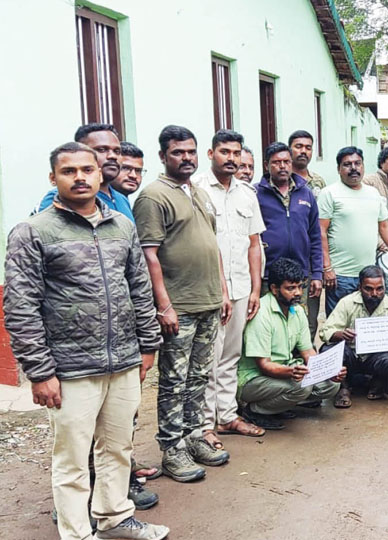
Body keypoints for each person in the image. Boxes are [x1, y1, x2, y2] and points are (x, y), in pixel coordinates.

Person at [5, 142, 169, 540]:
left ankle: (115, 515)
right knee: (73, 460)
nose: (79, 177)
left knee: (117, 448)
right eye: (69, 171)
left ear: (100, 175)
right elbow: (20, 307)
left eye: (86, 170)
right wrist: (40, 373)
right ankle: (78, 533)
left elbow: (138, 289)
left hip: (124, 362)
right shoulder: (33, 232)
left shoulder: (121, 227)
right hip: (70, 368)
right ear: (53, 178)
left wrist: (147, 347)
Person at [133, 125, 232, 483]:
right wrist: (164, 305)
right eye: (178, 152)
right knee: (173, 381)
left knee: (198, 377)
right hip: (180, 306)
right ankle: (172, 448)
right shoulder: (153, 196)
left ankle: (194, 437)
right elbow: (149, 255)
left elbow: (212, 245)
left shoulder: (199, 193)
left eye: (191, 151)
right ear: (163, 156)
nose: (186, 158)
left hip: (207, 301)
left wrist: (221, 290)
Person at [193, 129, 267, 446]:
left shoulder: (247, 194)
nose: (231, 158)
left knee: (231, 356)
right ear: (211, 154)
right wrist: (220, 292)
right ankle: (205, 424)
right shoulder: (196, 191)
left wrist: (254, 289)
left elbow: (254, 244)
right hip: (209, 290)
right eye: (225, 152)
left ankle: (227, 416)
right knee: (209, 358)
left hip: (241, 288)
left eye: (236, 153)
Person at [237, 258, 346, 430]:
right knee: (301, 387)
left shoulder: (298, 311)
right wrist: (291, 372)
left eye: (300, 287)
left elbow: (308, 352)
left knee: (331, 386)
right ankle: (253, 411)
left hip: (282, 373)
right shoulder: (262, 314)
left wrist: (328, 371)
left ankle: (279, 406)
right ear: (274, 289)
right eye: (290, 288)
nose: (297, 293)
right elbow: (264, 365)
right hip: (253, 380)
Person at [318, 147, 388, 314]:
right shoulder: (329, 193)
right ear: (339, 169)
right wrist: (327, 268)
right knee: (339, 329)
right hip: (340, 276)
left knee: (366, 327)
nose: (353, 168)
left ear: (363, 166)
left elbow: (384, 226)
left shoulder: (373, 194)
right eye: (347, 164)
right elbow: (321, 232)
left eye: (358, 163)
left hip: (369, 279)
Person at [255, 142, 325, 341]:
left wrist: (317, 274)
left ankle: (303, 368)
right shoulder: (256, 194)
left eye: (286, 161)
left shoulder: (306, 194)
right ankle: (273, 368)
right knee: (268, 325)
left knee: (303, 324)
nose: (283, 166)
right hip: (268, 277)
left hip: (301, 276)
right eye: (277, 162)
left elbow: (315, 236)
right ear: (267, 164)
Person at [319, 265, 388, 408]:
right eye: (369, 289)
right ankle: (343, 387)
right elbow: (325, 332)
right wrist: (341, 334)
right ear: (359, 287)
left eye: (380, 289)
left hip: (374, 357)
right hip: (351, 354)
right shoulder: (347, 302)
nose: (374, 293)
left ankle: (378, 383)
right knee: (328, 351)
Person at [33, 124, 134, 222]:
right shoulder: (58, 198)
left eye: (117, 151)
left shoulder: (121, 198)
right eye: (102, 150)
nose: (112, 156)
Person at [289, 130, 327, 198]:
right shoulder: (283, 179)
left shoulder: (318, 181)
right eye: (298, 146)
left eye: (308, 148)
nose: (303, 151)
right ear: (289, 150)